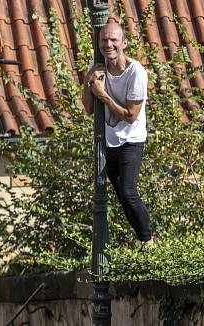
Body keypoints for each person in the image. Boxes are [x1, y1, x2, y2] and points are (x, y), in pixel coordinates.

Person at [82, 22, 153, 248]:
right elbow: (88, 109)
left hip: (131, 140)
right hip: (107, 142)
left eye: (113, 40)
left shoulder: (136, 73)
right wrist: (88, 81)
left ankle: (148, 239)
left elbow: (130, 115)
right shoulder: (98, 68)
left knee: (128, 189)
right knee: (120, 195)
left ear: (124, 43)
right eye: (104, 40)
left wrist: (103, 95)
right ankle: (140, 240)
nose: (108, 44)